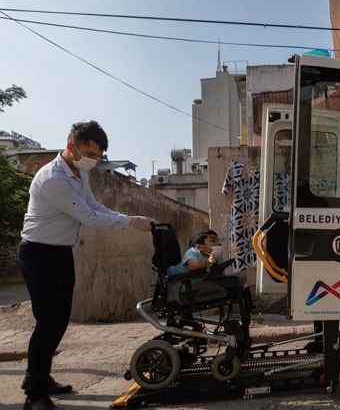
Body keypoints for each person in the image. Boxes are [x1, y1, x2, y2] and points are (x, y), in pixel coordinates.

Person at [18, 121, 154, 410]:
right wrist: (129, 223)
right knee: (48, 323)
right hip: (39, 255)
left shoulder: (79, 174)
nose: (94, 160)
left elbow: (96, 207)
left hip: (61, 254)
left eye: (98, 156)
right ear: (71, 146)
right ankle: (35, 396)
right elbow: (87, 216)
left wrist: (129, 218)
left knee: (60, 320)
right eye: (90, 153)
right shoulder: (53, 178)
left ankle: (37, 376)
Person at [166, 229, 247, 305]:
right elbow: (192, 266)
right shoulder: (193, 251)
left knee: (240, 276)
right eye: (213, 240)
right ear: (199, 247)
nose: (218, 243)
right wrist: (207, 263)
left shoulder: (217, 257)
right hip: (177, 284)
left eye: (218, 240)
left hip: (197, 283)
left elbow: (221, 276)